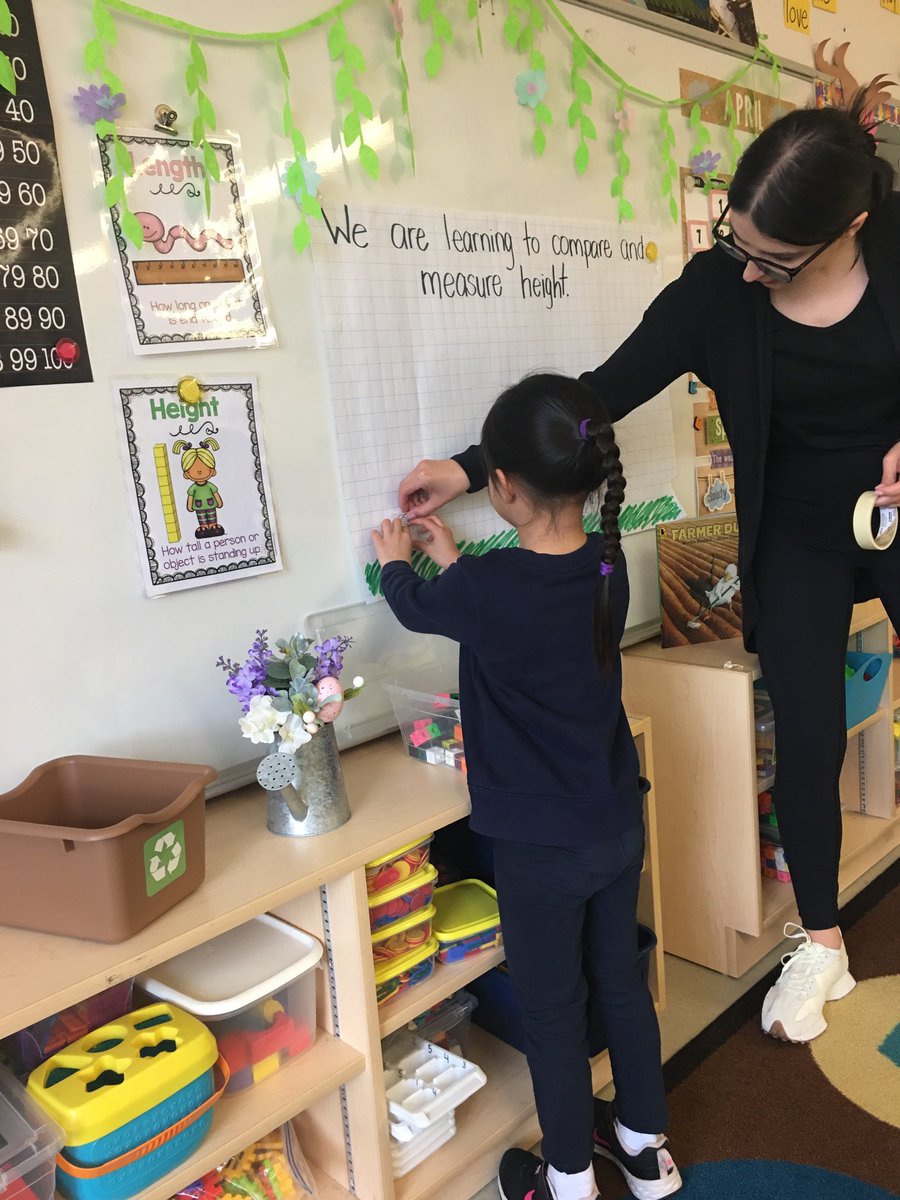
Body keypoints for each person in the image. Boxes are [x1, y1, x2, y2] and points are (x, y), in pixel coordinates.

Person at [397, 90, 900, 1044]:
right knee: (806, 731)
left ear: (854, 228)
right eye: (736, 241)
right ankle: (824, 942)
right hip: (795, 531)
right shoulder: (718, 292)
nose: (747, 272)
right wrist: (467, 469)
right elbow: (600, 393)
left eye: (774, 260)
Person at [373, 375, 682, 1200]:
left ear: (500, 486)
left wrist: (399, 561)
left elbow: (416, 609)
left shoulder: (488, 590)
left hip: (540, 848)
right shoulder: (608, 561)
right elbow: (520, 612)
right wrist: (452, 557)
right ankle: (646, 1152)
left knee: (551, 1008)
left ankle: (570, 1179)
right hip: (615, 819)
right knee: (618, 981)